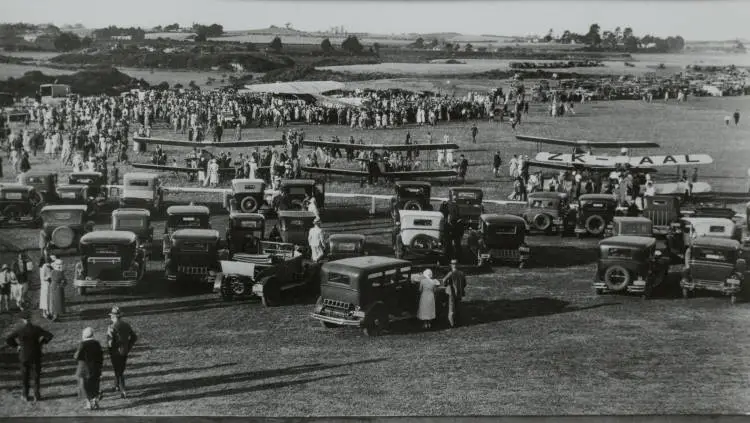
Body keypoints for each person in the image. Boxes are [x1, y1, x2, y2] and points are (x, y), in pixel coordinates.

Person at [5, 310, 54, 402]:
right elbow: (49, 336)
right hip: (35, 354)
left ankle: (25, 395)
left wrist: (17, 346)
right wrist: (41, 343)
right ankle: (36, 395)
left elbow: (8, 339)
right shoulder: (36, 329)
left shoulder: (20, 330)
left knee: (25, 376)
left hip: (24, 355)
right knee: (36, 376)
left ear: (22, 320)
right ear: (30, 318)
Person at [107, 306, 137, 398]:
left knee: (119, 371)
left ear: (115, 316)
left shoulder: (111, 327)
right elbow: (134, 337)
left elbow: (110, 342)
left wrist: (111, 349)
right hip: (124, 351)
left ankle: (123, 390)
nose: (110, 317)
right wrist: (128, 346)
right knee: (119, 369)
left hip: (115, 352)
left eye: (111, 315)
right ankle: (116, 386)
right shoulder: (126, 325)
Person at [75, 327, 103, 410]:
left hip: (84, 369)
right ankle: (95, 402)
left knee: (84, 386)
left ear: (84, 335)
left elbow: (76, 356)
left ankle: (88, 403)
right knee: (95, 385)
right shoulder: (97, 343)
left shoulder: (82, 344)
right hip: (95, 368)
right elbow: (101, 356)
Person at [442, 259, 467, 328]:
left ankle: (452, 323)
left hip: (451, 292)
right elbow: (465, 284)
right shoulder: (462, 273)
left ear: (451, 265)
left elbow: (444, 280)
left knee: (451, 308)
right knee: (458, 307)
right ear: (458, 265)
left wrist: (446, 285)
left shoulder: (450, 273)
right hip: (459, 292)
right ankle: (458, 322)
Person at [38, 255, 53, 320]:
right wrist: (49, 277)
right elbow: (42, 277)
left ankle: (47, 312)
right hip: (45, 285)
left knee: (48, 298)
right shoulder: (44, 267)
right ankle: (45, 313)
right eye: (49, 260)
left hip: (48, 285)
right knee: (45, 299)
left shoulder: (49, 266)